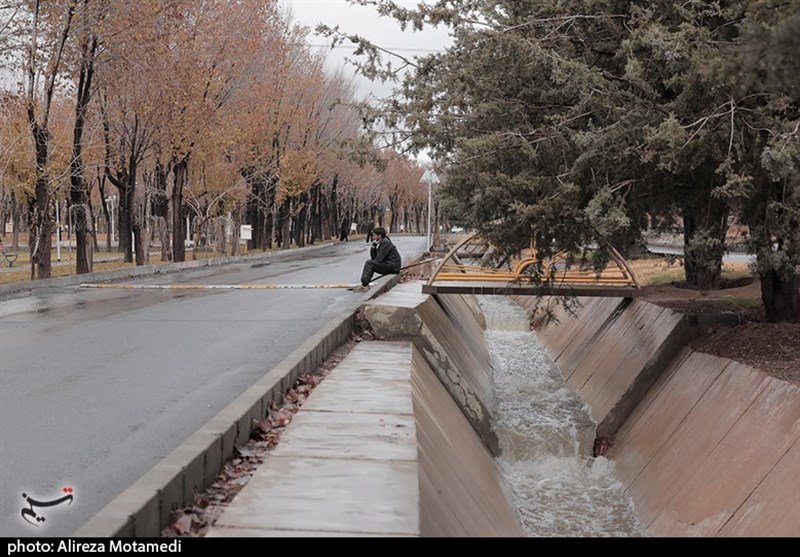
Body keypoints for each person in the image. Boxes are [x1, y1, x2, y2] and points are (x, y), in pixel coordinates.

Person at [353, 227, 401, 292]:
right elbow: (374, 257)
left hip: (393, 267)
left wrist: (373, 262)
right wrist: (373, 246)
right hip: (390, 265)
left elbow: (379, 258)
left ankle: (364, 285)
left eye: (374, 235)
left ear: (379, 236)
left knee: (369, 263)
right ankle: (365, 284)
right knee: (371, 263)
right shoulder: (381, 242)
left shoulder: (385, 242)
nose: (372, 237)